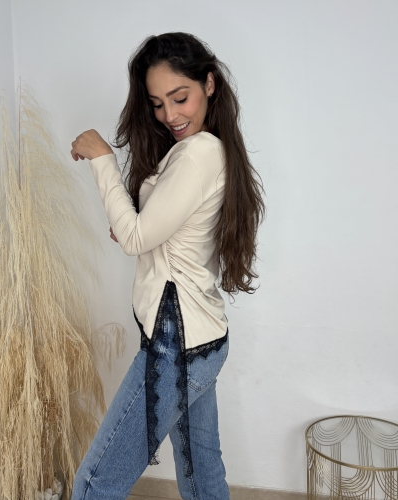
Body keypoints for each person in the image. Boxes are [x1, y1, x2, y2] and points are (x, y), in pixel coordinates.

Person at [70, 32, 265, 500]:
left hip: (177, 346)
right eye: (157, 104)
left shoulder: (199, 152)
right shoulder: (207, 149)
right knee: (202, 475)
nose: (170, 115)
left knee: (94, 484)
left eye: (180, 98)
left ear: (209, 84)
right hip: (202, 339)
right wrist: (140, 226)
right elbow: (161, 236)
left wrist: (102, 158)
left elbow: (136, 238)